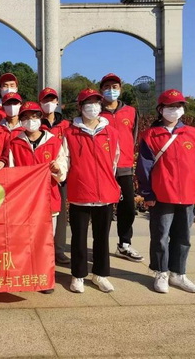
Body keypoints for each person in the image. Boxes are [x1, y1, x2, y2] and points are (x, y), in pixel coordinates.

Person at [136, 89, 195, 294]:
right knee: (160, 236)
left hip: (187, 194)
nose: (175, 110)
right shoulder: (151, 135)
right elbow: (143, 167)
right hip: (162, 195)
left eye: (178, 106)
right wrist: (147, 193)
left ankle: (178, 273)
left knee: (183, 237)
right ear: (161, 109)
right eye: (170, 106)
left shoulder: (192, 133)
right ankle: (161, 272)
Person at [63, 88, 121, 294]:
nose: (93, 107)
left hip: (105, 193)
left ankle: (100, 274)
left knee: (102, 237)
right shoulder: (70, 133)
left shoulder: (111, 133)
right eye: (88, 103)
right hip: (80, 192)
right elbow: (65, 160)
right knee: (79, 237)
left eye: (96, 102)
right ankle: (78, 275)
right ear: (80, 107)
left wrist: (107, 182)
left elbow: (114, 162)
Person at [9, 101, 68, 294]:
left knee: (46, 241)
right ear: (21, 120)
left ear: (40, 118)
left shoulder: (54, 142)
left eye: (34, 116)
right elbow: (12, 172)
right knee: (25, 240)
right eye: (26, 117)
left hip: (48, 200)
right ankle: (26, 275)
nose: (30, 120)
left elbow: (63, 172)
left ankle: (45, 278)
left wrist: (57, 169)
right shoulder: (15, 143)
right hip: (24, 202)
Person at [99, 73, 143, 262]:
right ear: (101, 90)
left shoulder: (131, 111)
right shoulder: (96, 112)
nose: (111, 90)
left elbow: (134, 137)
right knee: (104, 210)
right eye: (107, 87)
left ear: (120, 89)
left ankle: (124, 244)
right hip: (103, 169)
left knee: (128, 208)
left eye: (114, 87)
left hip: (124, 167)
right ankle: (101, 246)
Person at [39, 87, 71, 265]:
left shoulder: (65, 125)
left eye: (52, 100)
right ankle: (42, 249)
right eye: (45, 100)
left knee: (60, 214)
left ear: (57, 102)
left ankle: (59, 250)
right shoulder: (36, 123)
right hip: (40, 176)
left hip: (60, 174)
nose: (49, 103)